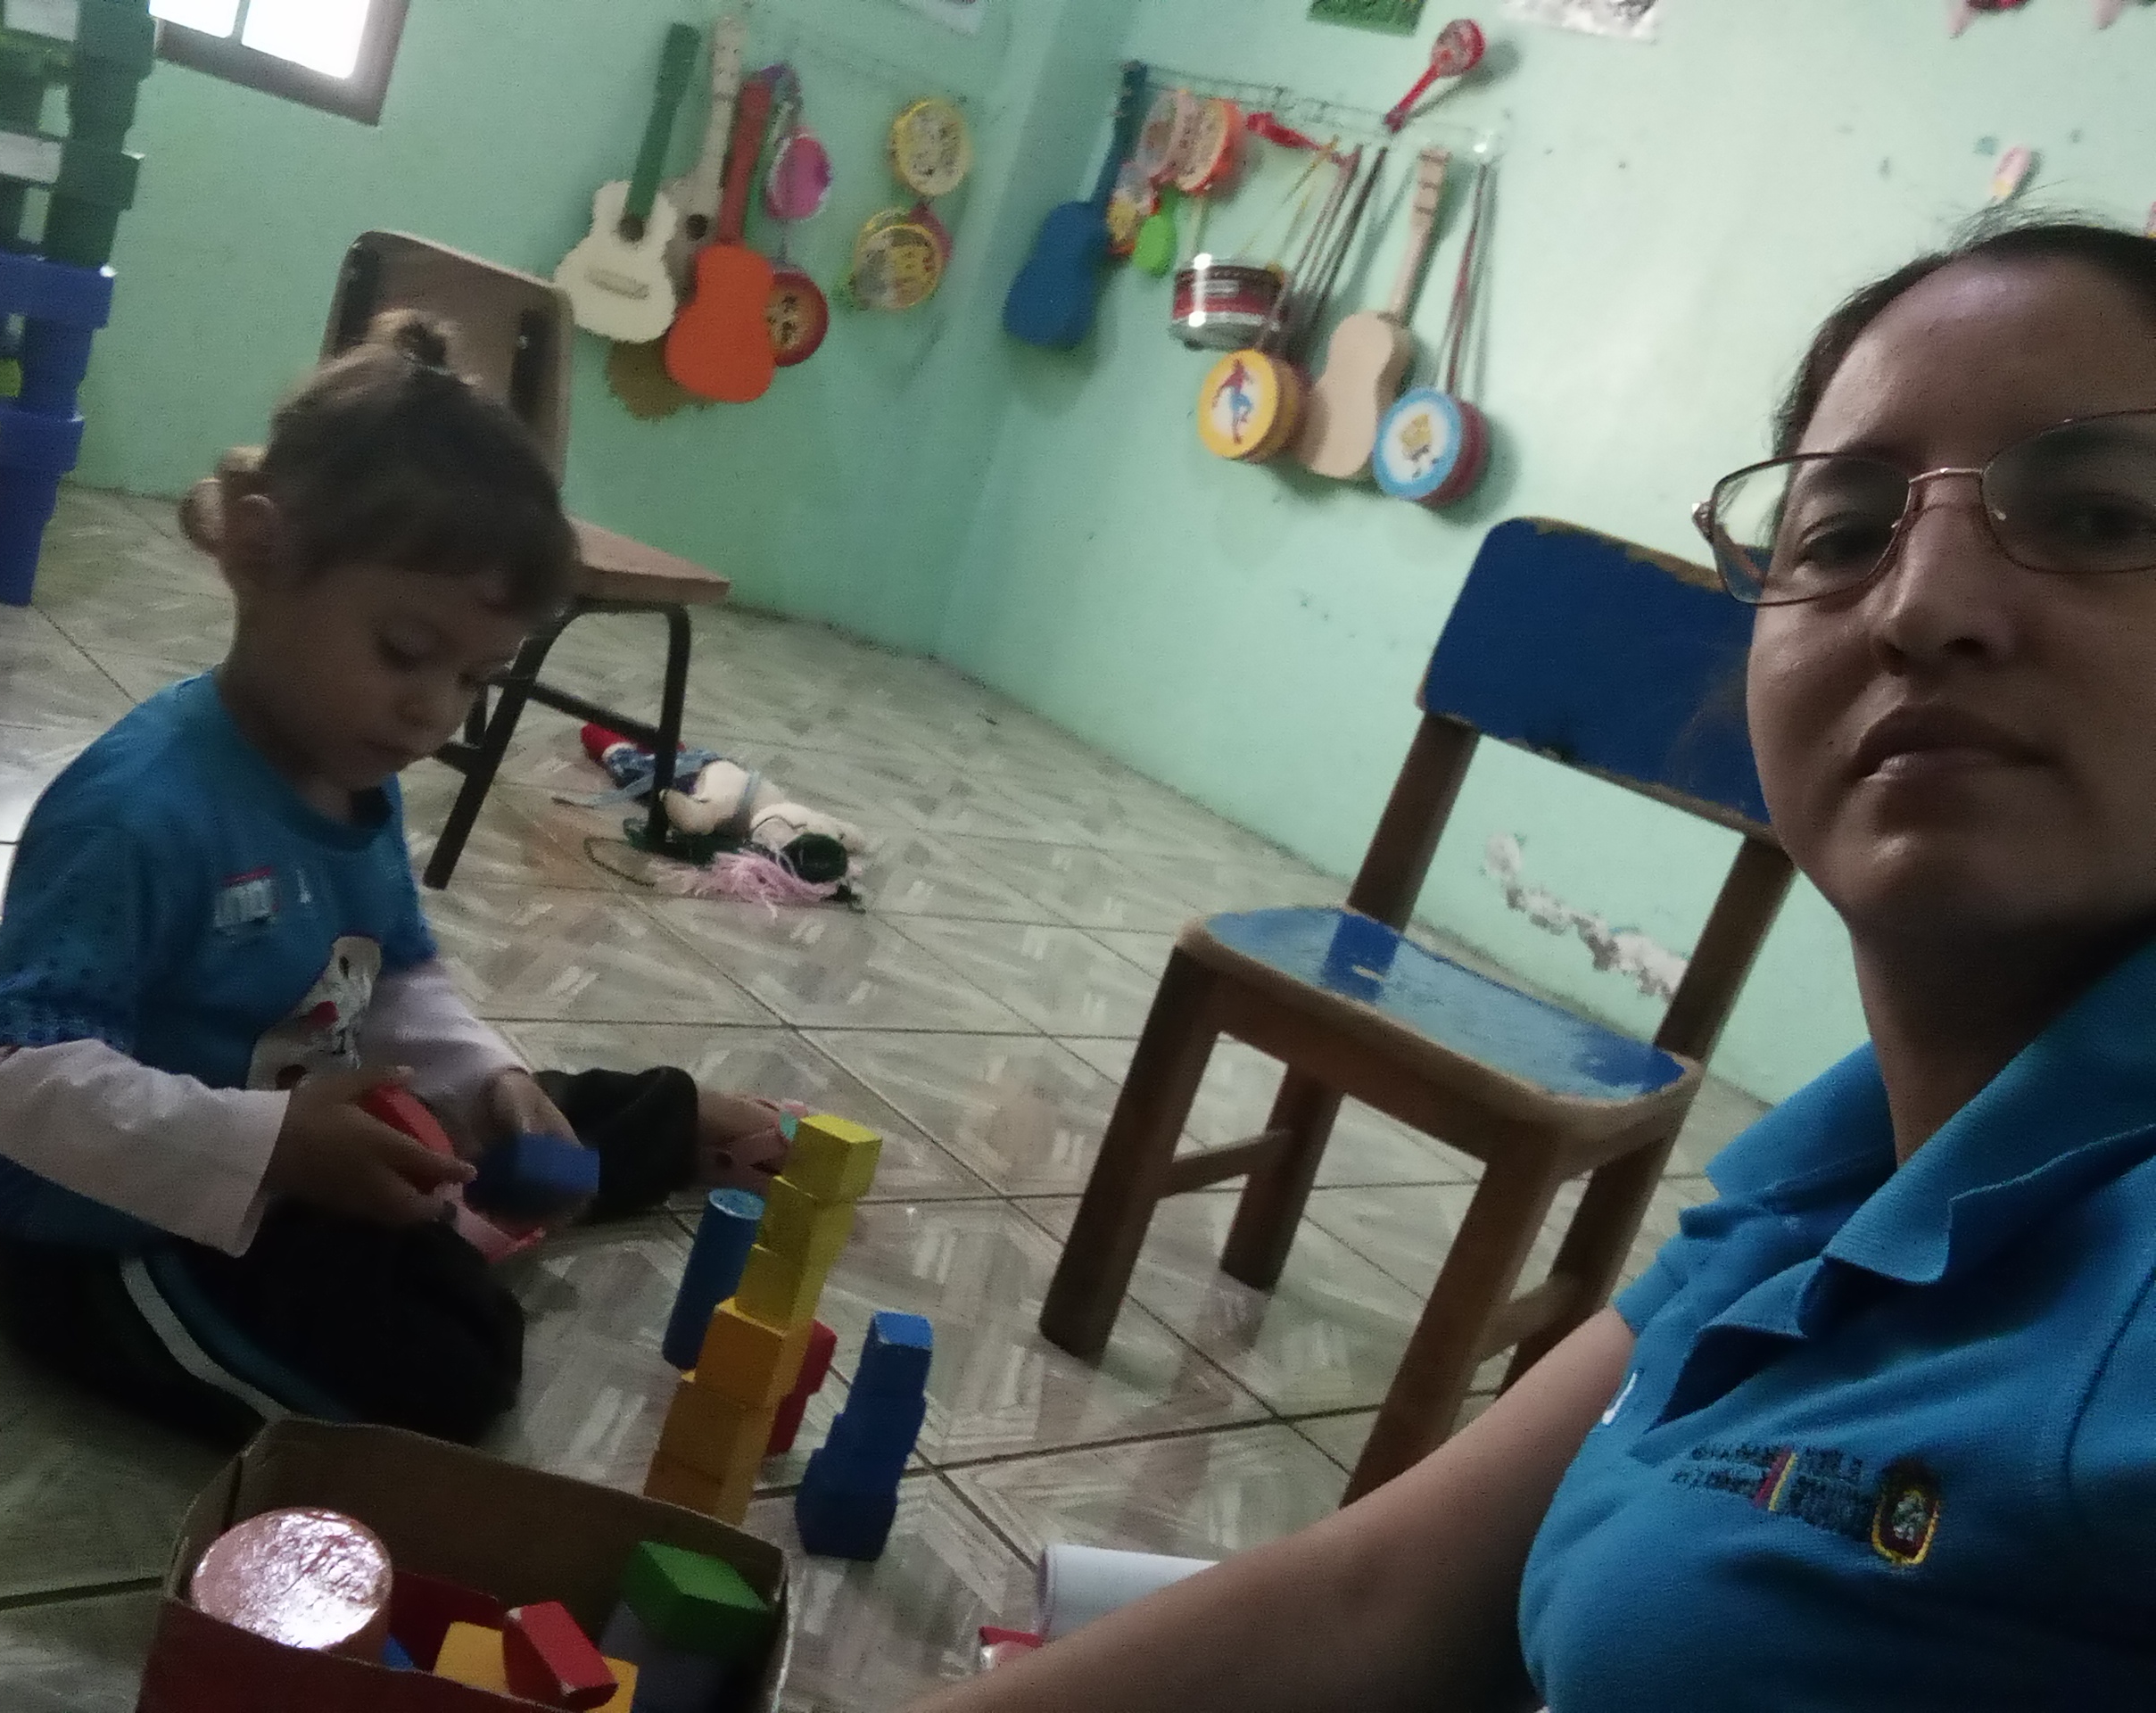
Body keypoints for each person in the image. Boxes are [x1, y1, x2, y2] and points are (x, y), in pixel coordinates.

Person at [908, 217, 2156, 1712]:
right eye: (1841, 535)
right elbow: (1373, 1601)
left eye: (2099, 516)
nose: (1921, 606)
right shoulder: (1823, 1191)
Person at [0, 311, 786, 1448]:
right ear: (261, 555)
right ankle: (454, 1228)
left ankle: (662, 1124)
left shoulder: (351, 773)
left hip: (303, 1127)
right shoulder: (138, 813)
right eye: (404, 652)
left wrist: (489, 1083)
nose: (434, 711)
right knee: (444, 1376)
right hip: (102, 1234)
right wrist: (271, 1146)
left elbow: (394, 981)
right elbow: (1, 1074)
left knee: (520, 1117)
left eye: (477, 679)